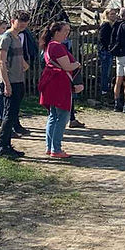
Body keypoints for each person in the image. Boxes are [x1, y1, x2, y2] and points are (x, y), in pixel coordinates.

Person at [39, 21, 83, 158]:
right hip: (59, 84)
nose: (67, 33)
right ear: (56, 32)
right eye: (65, 30)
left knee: (53, 116)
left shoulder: (50, 46)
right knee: (62, 117)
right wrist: (77, 63)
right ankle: (56, 148)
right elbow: (67, 66)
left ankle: (50, 146)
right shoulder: (56, 47)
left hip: (53, 83)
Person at [0, 10, 32, 158]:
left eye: (25, 21)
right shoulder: (6, 38)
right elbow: (1, 62)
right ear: (12, 21)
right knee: (8, 115)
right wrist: (6, 83)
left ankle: (7, 144)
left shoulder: (18, 37)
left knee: (13, 114)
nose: (23, 24)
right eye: (20, 21)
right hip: (9, 81)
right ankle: (2, 145)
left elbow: (19, 56)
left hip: (19, 80)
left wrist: (24, 64)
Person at [97, 9, 117, 96]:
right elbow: (102, 38)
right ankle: (104, 89)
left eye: (115, 14)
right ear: (107, 15)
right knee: (105, 71)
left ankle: (106, 87)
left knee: (108, 70)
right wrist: (108, 47)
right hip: (105, 51)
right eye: (112, 14)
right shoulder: (106, 24)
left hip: (108, 50)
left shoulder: (112, 24)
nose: (114, 16)